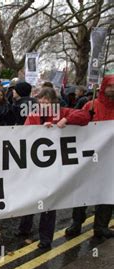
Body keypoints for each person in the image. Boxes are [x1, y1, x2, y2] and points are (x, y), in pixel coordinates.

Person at [17, 87, 90, 250]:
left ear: (53, 102)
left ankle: (45, 239)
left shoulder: (61, 112)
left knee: (49, 203)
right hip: (34, 164)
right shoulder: (33, 114)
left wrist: (65, 121)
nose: (43, 103)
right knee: (29, 196)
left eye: (47, 100)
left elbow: (84, 116)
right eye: (41, 99)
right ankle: (24, 228)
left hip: (52, 167)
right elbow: (23, 133)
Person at [65, 73, 114, 239]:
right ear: (103, 86)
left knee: (107, 193)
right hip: (88, 158)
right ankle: (76, 222)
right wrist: (86, 116)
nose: (112, 89)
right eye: (110, 86)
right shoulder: (90, 105)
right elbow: (74, 120)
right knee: (82, 191)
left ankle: (101, 226)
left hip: (110, 161)